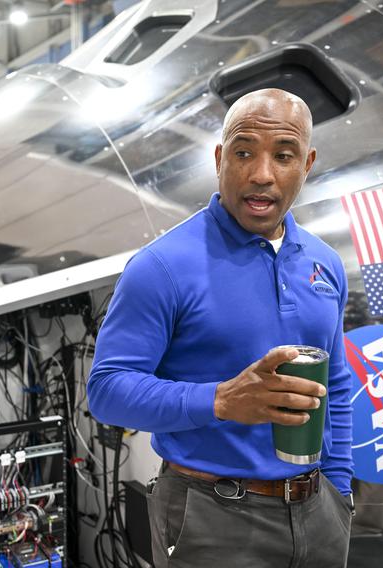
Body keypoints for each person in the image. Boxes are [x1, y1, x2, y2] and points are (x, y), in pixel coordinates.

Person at [87, 88, 354, 568]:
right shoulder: (161, 267)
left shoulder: (324, 263)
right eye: (244, 152)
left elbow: (335, 383)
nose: (262, 174)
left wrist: (341, 492)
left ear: (307, 164)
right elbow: (107, 391)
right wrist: (222, 402)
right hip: (212, 516)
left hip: (319, 513)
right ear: (219, 158)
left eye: (284, 155)